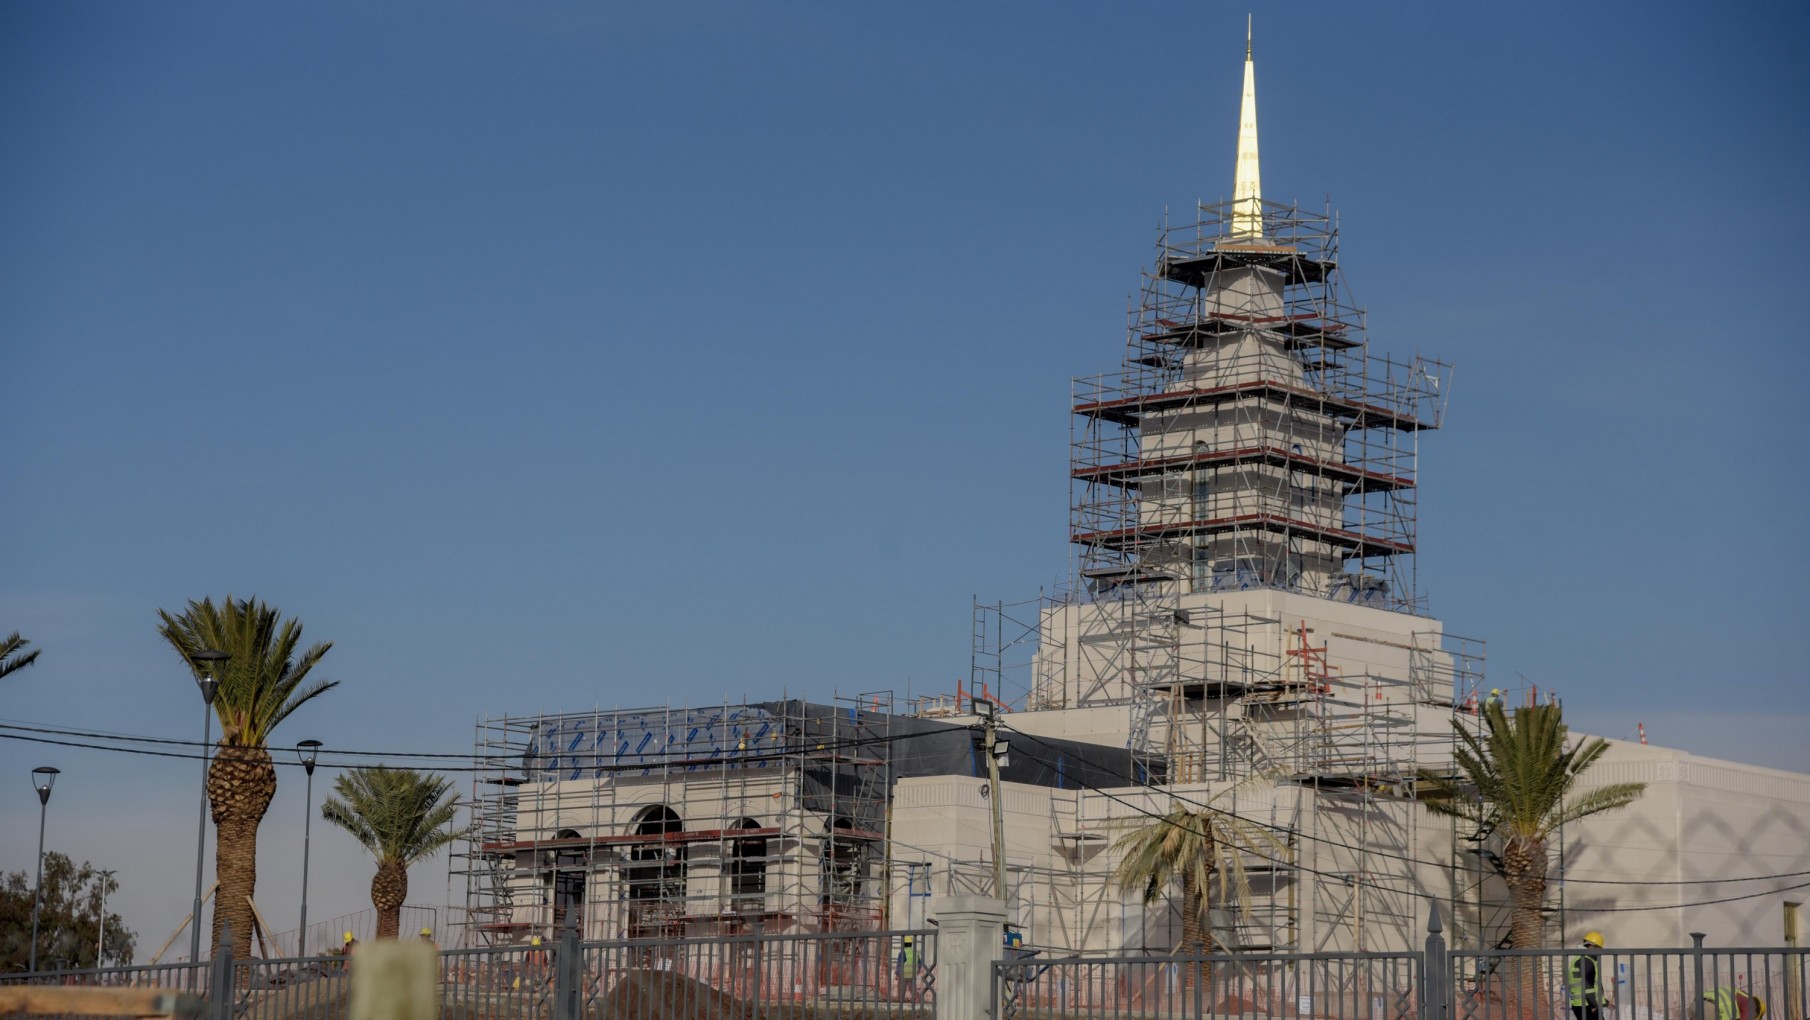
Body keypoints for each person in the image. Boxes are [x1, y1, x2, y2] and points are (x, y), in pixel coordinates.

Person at [1566, 932, 1612, 1020]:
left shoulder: (1582, 958)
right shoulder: (1586, 961)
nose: (1600, 952)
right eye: (1599, 948)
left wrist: (1604, 1002)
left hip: (1583, 1004)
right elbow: (1587, 986)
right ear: (1591, 946)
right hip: (1586, 1005)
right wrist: (1593, 1005)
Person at [895, 935, 921, 1003]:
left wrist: (897, 973)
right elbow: (919, 963)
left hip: (904, 973)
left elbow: (900, 964)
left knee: (901, 988)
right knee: (912, 989)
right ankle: (917, 998)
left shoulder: (903, 952)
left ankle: (900, 1001)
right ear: (911, 944)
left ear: (904, 944)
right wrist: (918, 971)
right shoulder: (915, 953)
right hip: (912, 974)